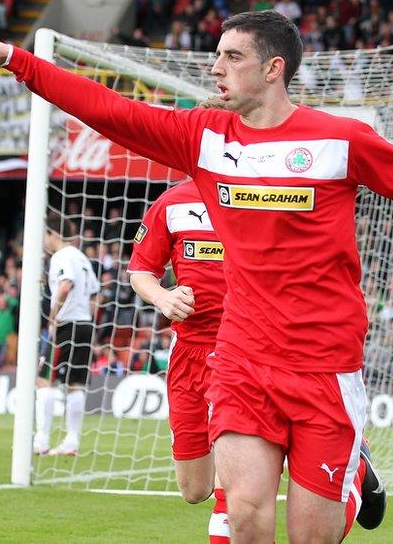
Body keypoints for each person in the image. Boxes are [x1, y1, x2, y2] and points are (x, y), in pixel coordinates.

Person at [0, 11, 393, 541]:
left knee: (311, 537)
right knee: (241, 512)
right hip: (240, 358)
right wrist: (14, 58)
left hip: (324, 363)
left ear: (273, 69)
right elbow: (111, 111)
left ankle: (352, 466)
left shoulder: (340, 140)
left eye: (231, 57)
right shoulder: (205, 137)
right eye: (216, 55)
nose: (215, 67)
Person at [128, 178, 232, 540]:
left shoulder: (257, 191)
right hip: (188, 352)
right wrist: (162, 297)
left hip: (241, 348)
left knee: (231, 483)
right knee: (194, 488)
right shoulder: (172, 203)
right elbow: (140, 271)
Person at [33, 214, 100, 457]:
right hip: (84, 324)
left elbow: (65, 284)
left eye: (44, 235)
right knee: (75, 385)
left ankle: (41, 440)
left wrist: (54, 314)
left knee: (44, 380)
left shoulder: (62, 256)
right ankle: (71, 442)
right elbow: (94, 291)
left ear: (52, 233)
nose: (43, 240)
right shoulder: (81, 257)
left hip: (66, 325)